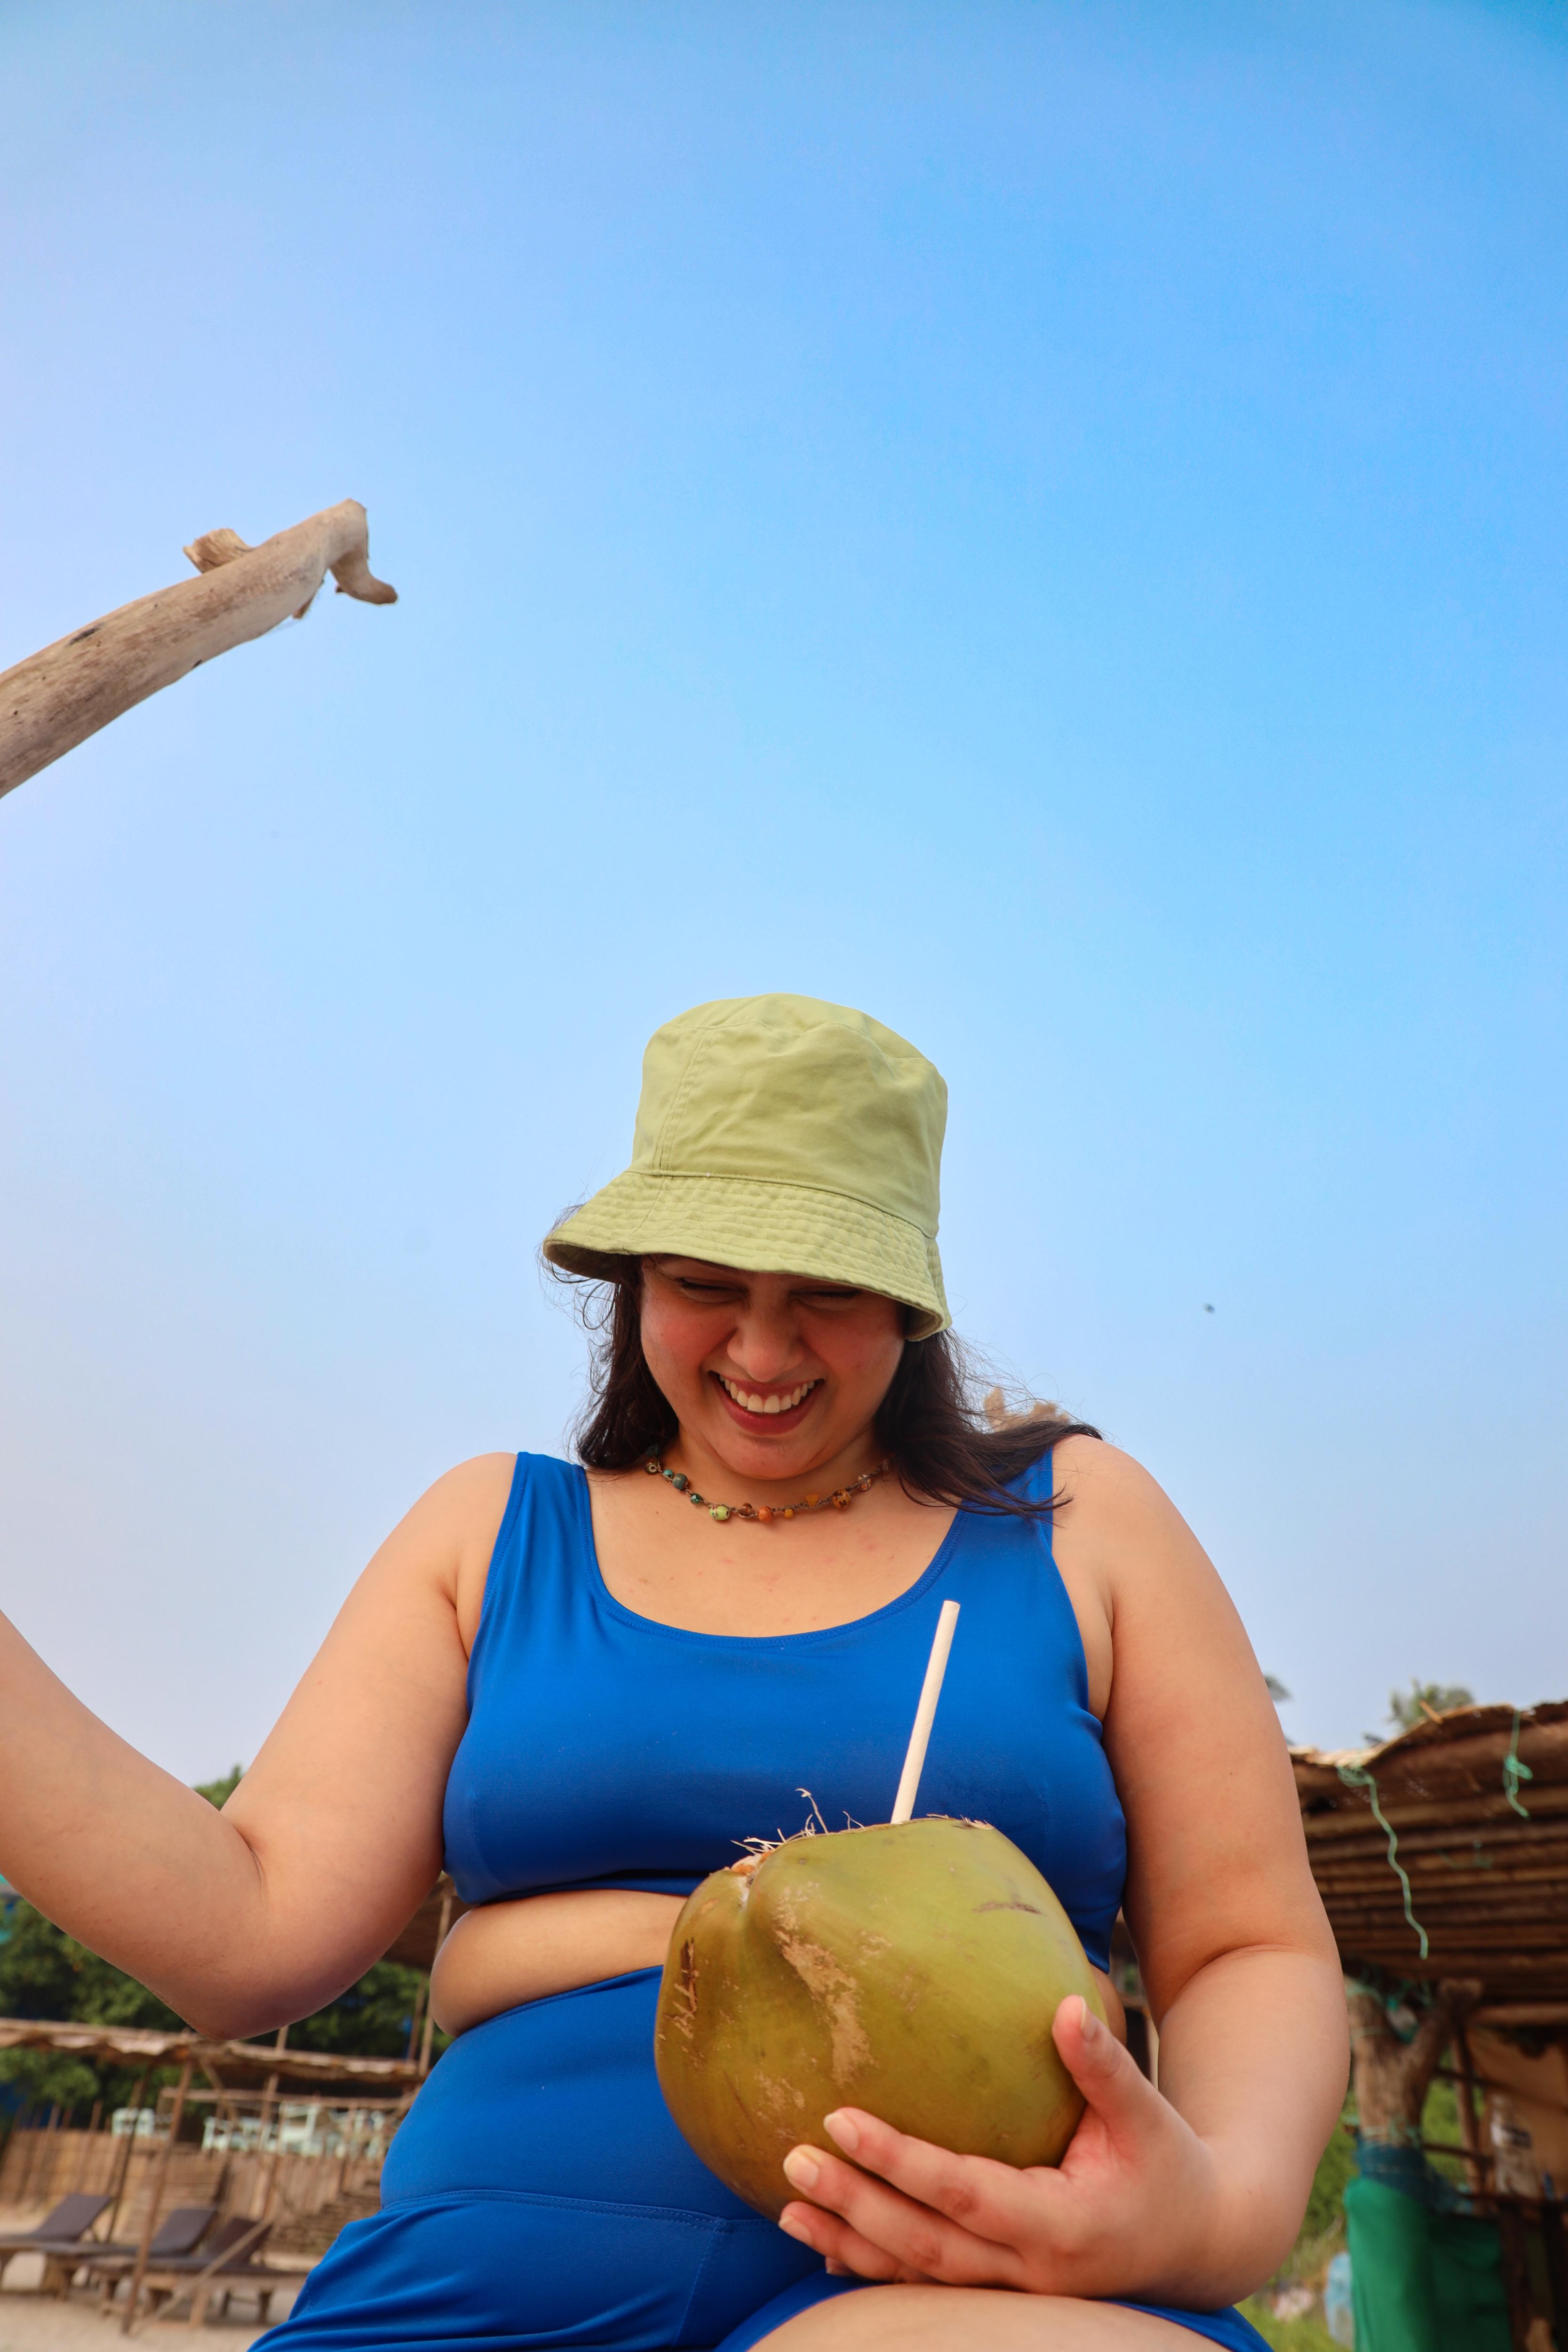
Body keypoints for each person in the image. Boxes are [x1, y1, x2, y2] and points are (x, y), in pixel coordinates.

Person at [0, 994, 1347, 2351]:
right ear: (634, 1275)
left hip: (968, 2292)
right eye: (706, 1285)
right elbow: (252, 1933)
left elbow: (1248, 1941)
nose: (763, 1354)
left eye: (826, 1292)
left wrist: (1212, 2216)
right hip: (479, 2286)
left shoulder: (1079, 1525)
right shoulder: (495, 1534)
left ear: (913, 1299)